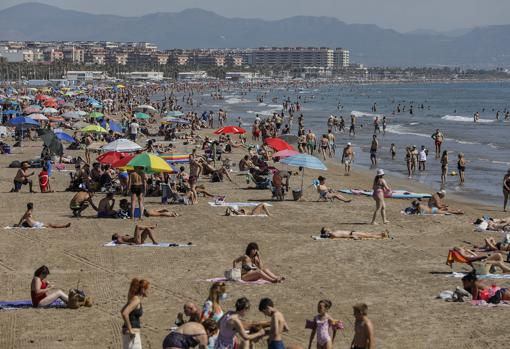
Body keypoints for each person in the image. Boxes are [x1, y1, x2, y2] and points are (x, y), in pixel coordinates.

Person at [121, 278, 149, 349]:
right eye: (148, 289)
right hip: (132, 335)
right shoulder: (136, 300)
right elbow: (124, 313)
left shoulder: (133, 299)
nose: (149, 291)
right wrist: (130, 330)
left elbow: (122, 311)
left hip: (128, 335)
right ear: (143, 289)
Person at [319, 227, 389, 240]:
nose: (328, 228)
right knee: (368, 235)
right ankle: (382, 236)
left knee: (368, 233)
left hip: (353, 232)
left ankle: (381, 233)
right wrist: (352, 236)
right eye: (326, 228)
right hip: (352, 234)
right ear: (326, 231)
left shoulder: (333, 232)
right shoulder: (332, 234)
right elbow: (343, 236)